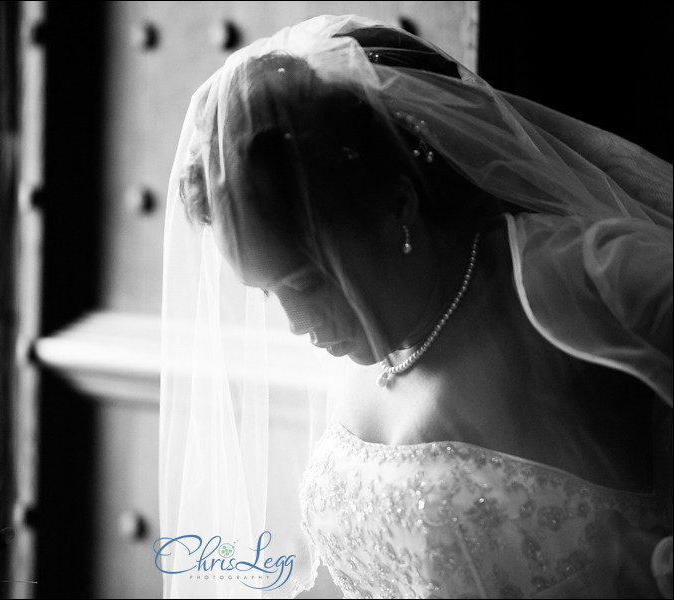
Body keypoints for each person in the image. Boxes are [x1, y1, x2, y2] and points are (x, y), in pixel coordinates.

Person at [158, 15, 672, 599]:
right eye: (269, 293)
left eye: (305, 284)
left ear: (396, 207)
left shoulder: (581, 278)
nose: (297, 324)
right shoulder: (368, 332)